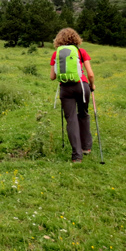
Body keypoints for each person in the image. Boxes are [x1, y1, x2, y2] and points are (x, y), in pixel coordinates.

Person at [49, 28, 96, 163]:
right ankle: (86, 148)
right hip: (82, 86)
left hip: (65, 89)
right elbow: (90, 74)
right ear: (76, 39)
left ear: (58, 40)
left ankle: (76, 156)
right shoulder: (81, 52)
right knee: (83, 114)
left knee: (71, 119)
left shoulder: (56, 54)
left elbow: (52, 77)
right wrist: (92, 85)